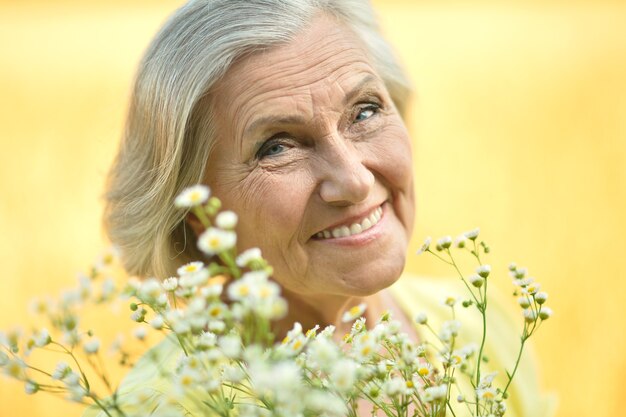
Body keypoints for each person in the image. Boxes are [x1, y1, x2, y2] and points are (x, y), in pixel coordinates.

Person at [95, 1, 554, 416]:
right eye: (276, 147)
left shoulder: (479, 329)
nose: (354, 180)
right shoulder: (168, 406)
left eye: (366, 111)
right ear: (198, 212)